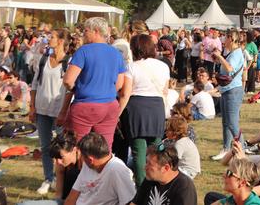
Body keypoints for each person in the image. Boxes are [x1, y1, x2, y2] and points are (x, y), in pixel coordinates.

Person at [57, 17, 127, 147]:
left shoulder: (83, 51)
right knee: (104, 148)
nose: (83, 34)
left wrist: (76, 88)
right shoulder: (116, 53)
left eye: (86, 31)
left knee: (79, 147)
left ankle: (81, 167)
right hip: (110, 105)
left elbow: (68, 80)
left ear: (96, 31)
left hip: (86, 106)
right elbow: (119, 84)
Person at [118, 34, 170, 185]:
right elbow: (165, 91)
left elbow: (125, 94)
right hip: (157, 106)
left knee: (139, 151)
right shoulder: (163, 66)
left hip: (137, 108)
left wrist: (117, 114)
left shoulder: (132, 67)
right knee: (157, 149)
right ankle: (158, 183)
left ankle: (142, 187)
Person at [29, 28, 68, 195]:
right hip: (42, 109)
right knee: (45, 147)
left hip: (59, 111)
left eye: (51, 37)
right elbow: (35, 85)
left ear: (60, 41)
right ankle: (48, 178)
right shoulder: (44, 59)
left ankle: (62, 180)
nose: (48, 39)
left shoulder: (68, 62)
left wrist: (64, 112)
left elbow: (69, 90)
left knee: (61, 148)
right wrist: (32, 106)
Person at [66, 131, 136, 205]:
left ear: (90, 159)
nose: (81, 158)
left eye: (82, 156)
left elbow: (130, 202)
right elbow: (73, 195)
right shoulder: (87, 166)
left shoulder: (117, 170)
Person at [211, 31, 245, 161]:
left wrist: (220, 57)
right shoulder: (232, 52)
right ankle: (226, 149)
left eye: (226, 38)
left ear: (231, 38)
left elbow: (230, 69)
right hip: (227, 90)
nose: (224, 40)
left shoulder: (236, 53)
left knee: (232, 122)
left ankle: (242, 148)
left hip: (233, 91)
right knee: (226, 122)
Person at [130, 142, 197, 205]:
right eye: (146, 162)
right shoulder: (150, 179)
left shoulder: (184, 187)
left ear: (166, 168)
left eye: (150, 164)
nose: (144, 168)